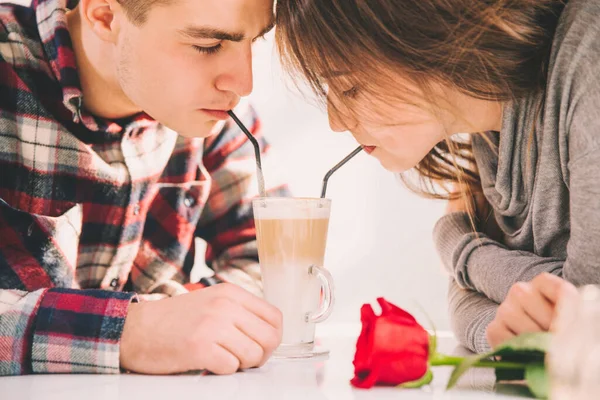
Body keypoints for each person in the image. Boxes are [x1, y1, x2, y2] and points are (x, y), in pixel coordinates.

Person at [274, 0, 599, 352]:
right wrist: (502, 322)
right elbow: (476, 313)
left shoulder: (588, 53)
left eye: (349, 87)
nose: (336, 122)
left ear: (421, 31)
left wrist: (459, 245)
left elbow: (583, 316)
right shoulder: (489, 139)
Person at [0, 0, 289, 376]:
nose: (243, 84)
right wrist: (128, 331)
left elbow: (283, 268)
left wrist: (178, 321)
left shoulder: (215, 114)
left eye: (254, 41)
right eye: (207, 45)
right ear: (104, 16)